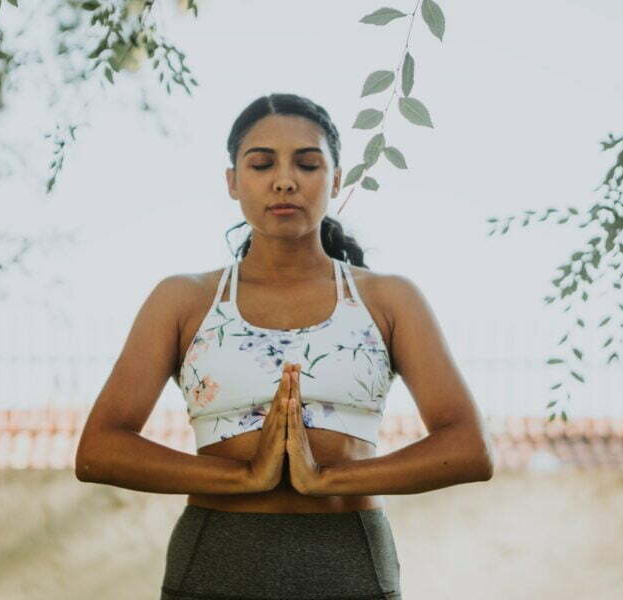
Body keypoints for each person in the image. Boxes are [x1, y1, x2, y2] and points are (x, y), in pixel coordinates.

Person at [75, 93, 493, 599]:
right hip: (216, 556)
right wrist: (243, 477)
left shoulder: (388, 299)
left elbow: (469, 448)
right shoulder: (183, 299)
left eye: (308, 163)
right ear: (232, 181)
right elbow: (99, 450)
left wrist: (328, 479)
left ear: (335, 180)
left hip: (349, 559)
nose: (285, 180)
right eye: (261, 163)